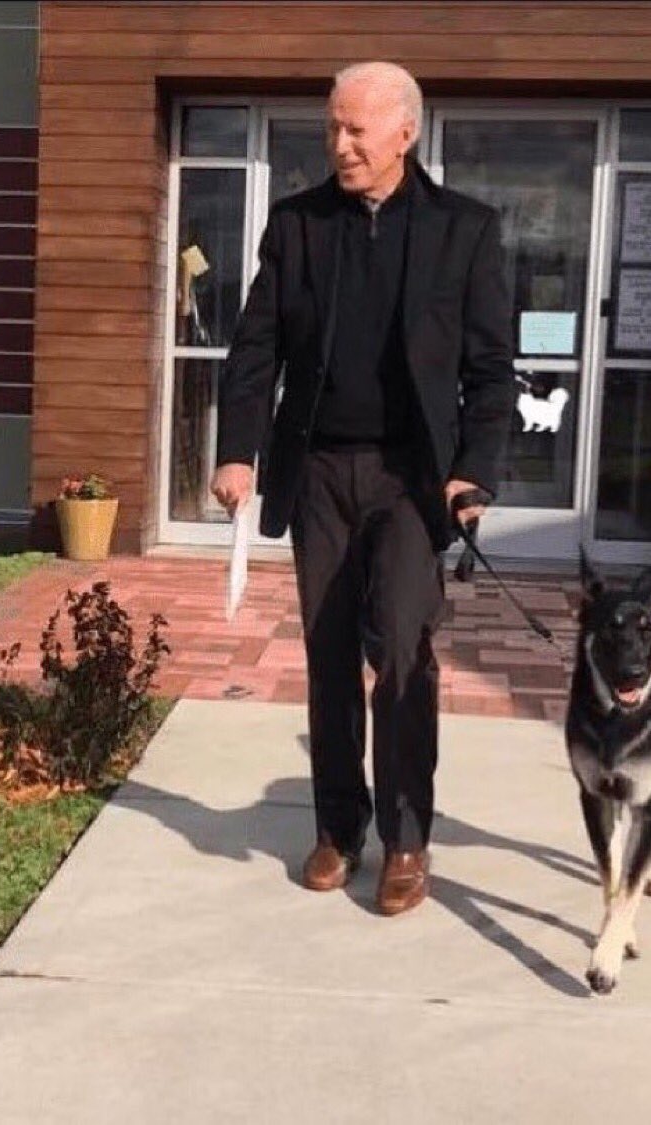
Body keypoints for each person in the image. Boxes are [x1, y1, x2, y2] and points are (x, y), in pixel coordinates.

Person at [210, 61, 515, 915]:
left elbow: (491, 370)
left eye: (356, 130)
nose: (339, 145)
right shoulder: (298, 224)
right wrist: (238, 452)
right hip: (318, 471)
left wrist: (473, 469)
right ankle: (338, 828)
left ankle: (407, 838)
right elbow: (256, 349)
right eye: (332, 128)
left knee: (404, 652)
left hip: (411, 479)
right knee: (329, 651)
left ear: (404, 133)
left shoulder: (464, 231)